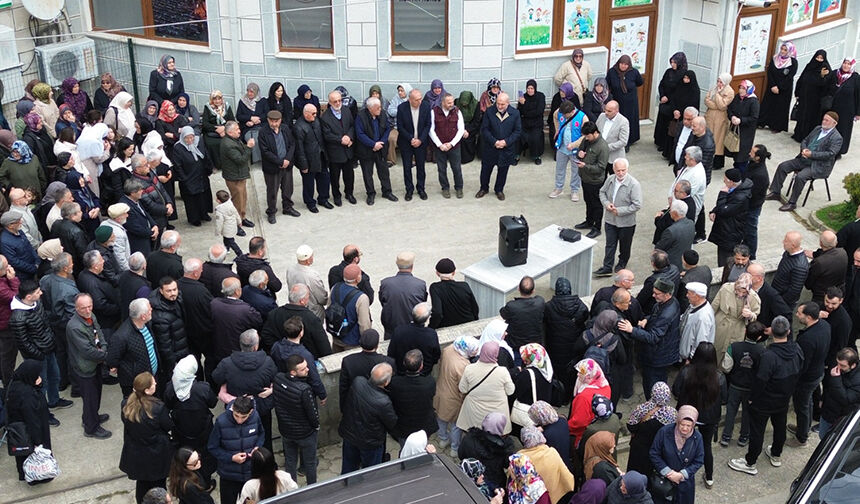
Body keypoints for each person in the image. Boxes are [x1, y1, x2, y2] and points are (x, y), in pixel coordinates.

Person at [728, 316, 803, 476]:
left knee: (757, 431)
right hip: (783, 398)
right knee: (780, 426)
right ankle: (776, 453)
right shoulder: (796, 350)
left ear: (771, 333)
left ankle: (750, 461)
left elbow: (760, 380)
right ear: (789, 332)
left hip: (764, 400)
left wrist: (752, 398)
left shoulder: (769, 356)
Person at [671, 342, 725, 489]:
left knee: (681, 443)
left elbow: (675, 391)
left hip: (687, 415)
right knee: (706, 446)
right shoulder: (719, 377)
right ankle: (709, 477)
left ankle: (678, 473)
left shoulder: (686, 372)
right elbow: (725, 399)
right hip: (709, 419)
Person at [766, 112, 842, 212]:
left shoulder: (837, 138)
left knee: (800, 177)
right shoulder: (817, 129)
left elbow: (830, 154)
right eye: (824, 119)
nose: (824, 121)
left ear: (834, 123)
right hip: (804, 159)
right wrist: (804, 149)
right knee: (783, 166)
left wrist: (812, 154)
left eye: (827, 120)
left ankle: (792, 203)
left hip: (818, 165)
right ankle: (775, 192)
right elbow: (805, 140)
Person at [620, 278, 680, 397]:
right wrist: (647, 319)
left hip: (658, 356)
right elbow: (655, 315)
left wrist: (632, 330)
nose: (653, 296)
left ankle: (653, 407)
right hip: (660, 352)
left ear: (667, 294)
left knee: (652, 384)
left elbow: (653, 337)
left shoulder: (667, 313)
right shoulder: (669, 302)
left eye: (657, 294)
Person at [120, 372, 173, 504]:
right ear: (147, 390)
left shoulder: (126, 405)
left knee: (142, 484)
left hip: (137, 452)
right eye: (153, 383)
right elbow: (167, 425)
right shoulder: (157, 407)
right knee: (159, 484)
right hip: (156, 453)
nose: (156, 383)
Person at [163, 355, 217, 484]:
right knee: (204, 456)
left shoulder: (171, 388)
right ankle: (206, 482)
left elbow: (167, 404)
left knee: (185, 456)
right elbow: (213, 403)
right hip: (203, 431)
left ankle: (188, 480)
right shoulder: (202, 388)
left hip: (181, 430)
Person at [66, 292, 112, 438]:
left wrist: (104, 348)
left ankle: (91, 417)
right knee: (90, 398)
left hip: (95, 363)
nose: (87, 310)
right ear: (76, 308)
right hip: (85, 367)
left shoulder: (91, 316)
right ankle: (91, 428)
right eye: (83, 308)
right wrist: (106, 355)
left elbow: (99, 333)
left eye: (90, 306)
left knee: (96, 393)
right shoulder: (74, 327)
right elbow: (87, 351)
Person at [338, 362, 398, 473]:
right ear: (386, 382)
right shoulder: (383, 402)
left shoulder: (358, 381)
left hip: (350, 435)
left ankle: (346, 486)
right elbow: (391, 422)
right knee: (370, 472)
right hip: (370, 443)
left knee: (348, 468)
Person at [788, 302, 831, 448]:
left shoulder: (807, 340)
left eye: (800, 313)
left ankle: (801, 438)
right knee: (808, 403)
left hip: (807, 379)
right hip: (817, 372)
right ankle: (803, 428)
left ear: (808, 317)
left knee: (802, 406)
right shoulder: (824, 326)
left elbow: (802, 364)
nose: (796, 315)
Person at [208, 396, 265, 504]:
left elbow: (261, 434)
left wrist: (257, 447)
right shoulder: (221, 422)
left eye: (243, 417)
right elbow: (212, 447)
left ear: (251, 412)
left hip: (250, 473)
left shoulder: (255, 416)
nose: (239, 420)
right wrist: (231, 458)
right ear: (233, 409)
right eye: (236, 415)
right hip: (229, 475)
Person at [273, 354, 320, 484]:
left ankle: (291, 489)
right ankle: (312, 487)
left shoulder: (278, 379)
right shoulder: (305, 390)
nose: (308, 370)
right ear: (293, 372)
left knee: (290, 461)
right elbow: (312, 414)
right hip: (305, 434)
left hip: (286, 431)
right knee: (310, 463)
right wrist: (316, 426)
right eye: (303, 369)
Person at [5, 360, 52, 482]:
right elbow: (32, 420)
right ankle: (38, 478)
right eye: (36, 375)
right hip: (30, 431)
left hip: (18, 429)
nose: (39, 377)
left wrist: (37, 384)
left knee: (23, 456)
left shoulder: (15, 383)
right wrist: (38, 441)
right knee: (33, 455)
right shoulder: (27, 395)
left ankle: (25, 474)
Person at [721, 321, 766, 447]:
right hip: (751, 388)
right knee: (747, 413)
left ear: (745, 332)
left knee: (731, 411)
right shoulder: (762, 351)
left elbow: (726, 367)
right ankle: (743, 437)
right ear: (759, 337)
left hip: (735, 385)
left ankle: (726, 436)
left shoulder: (734, 347)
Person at [542, 277, 588, 396]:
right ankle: (572, 393)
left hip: (555, 346)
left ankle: (560, 396)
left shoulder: (548, 307)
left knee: (558, 372)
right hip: (574, 346)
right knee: (573, 370)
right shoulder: (580, 305)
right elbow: (585, 318)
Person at [434, 335, 479, 457]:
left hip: (440, 391)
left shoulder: (448, 349)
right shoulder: (463, 365)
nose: (476, 352)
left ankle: (443, 439)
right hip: (454, 399)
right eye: (475, 349)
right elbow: (463, 387)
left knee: (441, 419)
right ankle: (455, 448)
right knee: (455, 425)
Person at [457, 342, 515, 434]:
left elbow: (462, 389)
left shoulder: (469, 369)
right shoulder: (502, 371)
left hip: (474, 412)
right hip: (497, 413)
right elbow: (510, 391)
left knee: (475, 437)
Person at [649, 405, 704, 504]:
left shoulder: (697, 437)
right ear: (678, 421)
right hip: (664, 483)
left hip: (685, 485)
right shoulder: (664, 432)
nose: (685, 428)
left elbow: (699, 460)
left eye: (689, 426)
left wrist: (682, 475)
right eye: (682, 424)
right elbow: (654, 453)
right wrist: (669, 473)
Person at [596, 159, 642, 276]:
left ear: (627, 169)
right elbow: (602, 192)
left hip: (626, 223)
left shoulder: (634, 184)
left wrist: (619, 211)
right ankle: (607, 266)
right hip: (610, 220)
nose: (620, 173)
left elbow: (637, 205)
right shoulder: (610, 179)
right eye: (618, 170)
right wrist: (607, 204)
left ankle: (622, 262)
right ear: (613, 169)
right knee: (610, 244)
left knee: (624, 245)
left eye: (623, 170)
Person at [260, 284, 331, 358]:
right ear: (302, 301)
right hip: (305, 361)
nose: (308, 299)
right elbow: (323, 345)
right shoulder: (311, 319)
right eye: (308, 297)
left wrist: (280, 350)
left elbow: (266, 335)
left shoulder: (274, 313)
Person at [107, 298, 160, 397]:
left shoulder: (145, 324)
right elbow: (112, 359)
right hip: (136, 384)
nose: (152, 310)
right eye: (149, 310)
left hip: (151, 377)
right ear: (143, 316)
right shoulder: (121, 336)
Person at [209, 280, 263, 373]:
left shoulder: (214, 303)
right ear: (237, 291)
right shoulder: (245, 309)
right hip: (237, 349)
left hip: (218, 347)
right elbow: (258, 321)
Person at [626, 381, 677, 475]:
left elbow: (631, 426)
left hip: (640, 448)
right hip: (659, 449)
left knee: (636, 471)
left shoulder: (641, 409)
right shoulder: (672, 413)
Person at [478, 93, 521, 200]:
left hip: (506, 149)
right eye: (498, 103)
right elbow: (484, 129)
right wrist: (494, 142)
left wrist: (506, 142)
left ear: (508, 103)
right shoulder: (489, 112)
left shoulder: (515, 113)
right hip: (490, 147)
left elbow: (517, 131)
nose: (499, 106)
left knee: (503, 171)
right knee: (485, 170)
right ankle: (484, 188)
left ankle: (499, 190)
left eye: (502, 104)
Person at [389, 349, 438, 444]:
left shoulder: (395, 382)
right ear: (421, 366)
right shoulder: (429, 382)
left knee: (404, 447)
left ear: (404, 363)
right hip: (423, 426)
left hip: (403, 425)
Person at [258, 109, 298, 224]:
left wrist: (287, 159)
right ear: (268, 120)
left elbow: (292, 144)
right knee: (272, 191)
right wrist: (280, 162)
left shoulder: (285, 128)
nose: (274, 124)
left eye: (276, 121)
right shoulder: (263, 132)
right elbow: (265, 152)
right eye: (272, 121)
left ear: (280, 120)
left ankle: (288, 208)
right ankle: (271, 212)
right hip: (272, 168)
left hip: (287, 165)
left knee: (287, 189)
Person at [458, 412, 517, 490]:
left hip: (470, 476)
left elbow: (461, 454)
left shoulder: (470, 437)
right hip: (494, 482)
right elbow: (508, 464)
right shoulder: (505, 447)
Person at [176, 259, 214, 377]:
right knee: (211, 359)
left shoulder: (176, 286)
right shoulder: (201, 291)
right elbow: (210, 310)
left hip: (185, 333)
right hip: (203, 333)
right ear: (196, 273)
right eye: (201, 270)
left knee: (193, 360)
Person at [518, 426, 575, 503]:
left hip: (532, 499)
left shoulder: (519, 457)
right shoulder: (551, 452)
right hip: (552, 495)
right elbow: (566, 475)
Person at [712, 272, 760, 362]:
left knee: (730, 355)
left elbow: (755, 316)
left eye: (744, 292)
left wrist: (750, 315)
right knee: (716, 349)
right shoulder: (726, 288)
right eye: (738, 291)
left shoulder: (754, 298)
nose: (741, 294)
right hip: (721, 325)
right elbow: (714, 307)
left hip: (738, 329)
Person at [293, 103, 333, 213]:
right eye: (313, 113)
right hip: (308, 159)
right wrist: (303, 165)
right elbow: (299, 149)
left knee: (324, 179)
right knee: (308, 183)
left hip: (320, 156)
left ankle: (323, 199)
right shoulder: (298, 127)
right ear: (306, 114)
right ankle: (310, 202)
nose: (316, 115)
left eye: (316, 113)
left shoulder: (316, 121)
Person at [708, 168, 752, 265]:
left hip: (730, 233)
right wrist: (714, 211)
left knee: (726, 261)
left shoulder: (740, 197)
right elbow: (723, 206)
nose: (723, 181)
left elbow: (724, 210)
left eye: (725, 179)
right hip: (725, 229)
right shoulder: (734, 190)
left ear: (731, 182)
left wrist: (722, 194)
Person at [320, 89, 356, 206]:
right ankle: (337, 195)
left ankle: (349, 193)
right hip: (335, 152)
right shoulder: (325, 117)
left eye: (339, 100)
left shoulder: (346, 111)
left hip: (348, 150)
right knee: (335, 177)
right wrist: (341, 139)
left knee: (349, 175)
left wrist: (349, 137)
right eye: (335, 101)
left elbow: (351, 126)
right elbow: (327, 135)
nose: (338, 103)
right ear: (330, 103)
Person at [380, 251, 428, 339]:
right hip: (414, 329)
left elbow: (383, 302)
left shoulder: (385, 283)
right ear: (412, 266)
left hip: (392, 328)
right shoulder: (420, 284)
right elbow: (422, 303)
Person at [172, 126, 212, 227]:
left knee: (203, 196)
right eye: (187, 138)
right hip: (188, 176)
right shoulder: (178, 148)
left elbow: (206, 155)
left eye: (191, 137)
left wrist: (209, 169)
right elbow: (178, 165)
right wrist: (184, 178)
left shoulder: (199, 142)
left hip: (201, 175)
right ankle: (194, 218)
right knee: (191, 200)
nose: (190, 140)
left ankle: (204, 214)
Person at [397, 89, 432, 200]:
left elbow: (428, 124)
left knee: (421, 167)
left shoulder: (426, 106)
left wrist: (420, 140)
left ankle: (421, 189)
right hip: (406, 142)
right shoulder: (402, 108)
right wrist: (411, 139)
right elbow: (400, 126)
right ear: (410, 100)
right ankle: (409, 190)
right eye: (417, 100)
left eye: (420, 98)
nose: (420, 101)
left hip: (421, 142)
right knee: (407, 167)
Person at [430, 92, 466, 198]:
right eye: (449, 103)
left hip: (454, 147)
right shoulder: (434, 112)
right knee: (441, 169)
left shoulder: (457, 111)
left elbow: (461, 129)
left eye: (453, 102)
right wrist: (439, 144)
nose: (452, 104)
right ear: (443, 102)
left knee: (457, 168)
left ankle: (459, 188)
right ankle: (445, 188)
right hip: (440, 147)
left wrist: (451, 144)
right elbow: (431, 130)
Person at [576, 121, 609, 238]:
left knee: (597, 205)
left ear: (595, 133)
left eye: (588, 136)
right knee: (588, 201)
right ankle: (589, 221)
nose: (586, 138)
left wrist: (585, 166)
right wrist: (579, 155)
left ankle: (597, 227)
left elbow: (601, 168)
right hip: (585, 178)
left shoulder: (602, 147)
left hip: (596, 181)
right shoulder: (586, 141)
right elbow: (579, 153)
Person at [387, 303, 440, 375]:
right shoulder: (431, 334)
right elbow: (436, 356)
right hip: (424, 373)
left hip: (401, 372)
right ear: (427, 318)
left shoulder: (399, 331)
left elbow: (391, 353)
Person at [793, 50, 834, 142]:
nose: (819, 60)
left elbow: (825, 84)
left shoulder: (825, 68)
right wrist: (797, 92)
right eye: (817, 57)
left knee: (811, 119)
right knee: (802, 116)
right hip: (804, 98)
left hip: (815, 100)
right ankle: (799, 134)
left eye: (821, 58)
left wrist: (822, 76)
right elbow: (802, 79)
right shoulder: (809, 66)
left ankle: (808, 137)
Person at [329, 263, 372, 352]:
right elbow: (364, 325)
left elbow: (329, 307)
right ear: (358, 278)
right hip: (353, 342)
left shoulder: (335, 288)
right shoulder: (361, 298)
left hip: (337, 336)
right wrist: (366, 342)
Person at [550, 100, 588, 201]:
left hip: (575, 150)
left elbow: (585, 135)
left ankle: (575, 190)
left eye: (565, 115)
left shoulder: (582, 117)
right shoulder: (559, 112)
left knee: (576, 170)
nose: (564, 116)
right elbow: (555, 116)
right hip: (562, 147)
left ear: (571, 112)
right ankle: (558, 188)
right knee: (559, 168)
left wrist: (575, 144)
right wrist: (557, 129)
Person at [569, 358, 611, 447]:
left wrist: (565, 426)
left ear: (588, 376)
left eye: (580, 373)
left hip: (583, 435)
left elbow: (579, 422)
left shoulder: (583, 397)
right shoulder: (605, 385)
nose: (577, 374)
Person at [500, 276, 545, 358]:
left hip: (516, 345)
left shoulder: (512, 306)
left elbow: (503, 313)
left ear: (518, 288)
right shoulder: (540, 302)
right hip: (534, 345)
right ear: (533, 291)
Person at [220, 121, 255, 228]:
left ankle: (242, 218)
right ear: (230, 132)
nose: (239, 131)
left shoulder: (233, 140)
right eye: (237, 129)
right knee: (237, 201)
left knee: (243, 198)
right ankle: (237, 223)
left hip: (239, 175)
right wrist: (248, 147)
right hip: (234, 177)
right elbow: (240, 160)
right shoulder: (228, 145)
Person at [758, 42, 798, 132]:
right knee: (767, 104)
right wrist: (773, 86)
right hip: (772, 87)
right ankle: (762, 122)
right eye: (782, 49)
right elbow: (770, 72)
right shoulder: (775, 58)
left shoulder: (793, 62)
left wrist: (779, 87)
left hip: (784, 89)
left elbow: (790, 76)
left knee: (780, 108)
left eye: (785, 50)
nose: (782, 51)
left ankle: (777, 126)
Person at [820, 347, 860, 438]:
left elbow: (845, 399)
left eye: (842, 365)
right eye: (837, 363)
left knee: (828, 439)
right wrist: (822, 399)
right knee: (822, 435)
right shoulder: (839, 367)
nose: (838, 367)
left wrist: (835, 379)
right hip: (828, 411)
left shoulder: (857, 381)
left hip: (840, 418)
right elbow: (828, 386)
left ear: (853, 365)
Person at [428, 258, 478, 329]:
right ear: (454, 272)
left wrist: (430, 328)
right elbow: (475, 308)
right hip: (468, 323)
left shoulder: (435, 288)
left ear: (437, 273)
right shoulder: (464, 286)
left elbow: (437, 313)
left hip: (446, 326)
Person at [654, 52, 689, 153]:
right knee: (662, 122)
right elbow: (662, 84)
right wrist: (662, 95)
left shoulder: (683, 74)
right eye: (672, 62)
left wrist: (668, 98)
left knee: (669, 125)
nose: (672, 64)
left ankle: (665, 144)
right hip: (665, 101)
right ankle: (659, 141)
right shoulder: (668, 72)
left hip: (673, 103)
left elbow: (679, 91)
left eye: (675, 62)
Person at [606, 55, 644, 146]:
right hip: (617, 101)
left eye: (626, 64)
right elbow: (608, 83)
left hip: (631, 102)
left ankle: (629, 140)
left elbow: (640, 82)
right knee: (618, 120)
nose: (623, 66)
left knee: (629, 120)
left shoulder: (633, 72)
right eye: (622, 64)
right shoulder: (612, 72)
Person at [743, 145, 771, 258]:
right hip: (748, 204)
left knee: (750, 231)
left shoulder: (760, 175)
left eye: (752, 152)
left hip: (752, 206)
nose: (749, 153)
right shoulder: (752, 164)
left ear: (758, 158)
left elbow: (753, 194)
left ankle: (752, 255)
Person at [805, 231, 848, 304]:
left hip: (821, 297)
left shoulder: (819, 262)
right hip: (838, 294)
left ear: (820, 243)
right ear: (836, 242)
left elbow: (809, 282)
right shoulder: (843, 253)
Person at [120, 178, 159, 256]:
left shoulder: (135, 200)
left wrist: (154, 225)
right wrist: (152, 232)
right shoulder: (125, 207)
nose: (142, 191)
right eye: (140, 190)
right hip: (138, 243)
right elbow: (135, 228)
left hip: (146, 236)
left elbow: (145, 213)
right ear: (132, 193)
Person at [725, 80, 760, 167]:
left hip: (746, 131)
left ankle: (741, 171)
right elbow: (730, 109)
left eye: (743, 88)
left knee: (742, 153)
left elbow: (754, 117)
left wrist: (741, 120)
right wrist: (732, 116)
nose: (741, 90)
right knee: (734, 149)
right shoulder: (738, 97)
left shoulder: (753, 101)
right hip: (735, 128)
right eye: (740, 88)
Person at [704, 73, 735, 169]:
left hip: (720, 119)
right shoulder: (714, 88)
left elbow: (722, 106)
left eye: (721, 82)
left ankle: (717, 163)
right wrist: (715, 104)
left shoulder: (729, 92)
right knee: (709, 137)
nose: (719, 83)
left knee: (718, 140)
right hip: (710, 117)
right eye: (718, 81)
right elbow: (706, 100)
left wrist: (717, 95)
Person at [772, 231, 810, 308]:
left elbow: (794, 290)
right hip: (776, 294)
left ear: (792, 245)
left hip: (783, 303)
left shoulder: (800, 266)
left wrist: (779, 302)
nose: (783, 242)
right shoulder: (788, 253)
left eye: (786, 241)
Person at [678, 282, 715, 361]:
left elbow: (700, 342)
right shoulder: (693, 305)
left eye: (689, 293)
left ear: (697, 296)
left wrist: (691, 359)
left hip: (689, 358)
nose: (686, 295)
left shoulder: (703, 317)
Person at [829, 58, 859, 155]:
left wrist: (858, 113)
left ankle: (839, 151)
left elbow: (858, 96)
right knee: (830, 127)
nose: (846, 66)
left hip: (847, 110)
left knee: (843, 130)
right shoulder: (835, 73)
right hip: (834, 107)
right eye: (844, 63)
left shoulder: (855, 78)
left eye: (849, 64)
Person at [655, 200, 695, 271]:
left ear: (675, 213)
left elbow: (659, 248)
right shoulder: (691, 223)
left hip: (671, 265)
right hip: (683, 261)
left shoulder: (670, 231)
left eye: (670, 210)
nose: (669, 212)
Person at [201, 90, 235, 171]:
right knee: (211, 144)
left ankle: (228, 164)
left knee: (228, 142)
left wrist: (224, 128)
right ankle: (215, 165)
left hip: (226, 130)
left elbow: (232, 120)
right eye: (215, 99)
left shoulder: (226, 106)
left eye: (219, 99)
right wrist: (217, 129)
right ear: (212, 100)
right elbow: (205, 124)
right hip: (212, 132)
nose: (217, 101)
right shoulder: (208, 107)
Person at [1, 210, 40, 280]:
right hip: (23, 275)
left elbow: (29, 246)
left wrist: (37, 260)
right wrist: (33, 268)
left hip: (33, 266)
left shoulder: (19, 231)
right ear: (10, 225)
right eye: (18, 221)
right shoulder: (4, 242)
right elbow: (14, 261)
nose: (21, 222)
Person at [235, 83, 268, 165]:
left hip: (261, 126)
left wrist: (259, 119)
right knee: (254, 140)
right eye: (248, 91)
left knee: (263, 138)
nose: (249, 93)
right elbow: (239, 116)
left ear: (256, 92)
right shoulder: (242, 101)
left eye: (252, 92)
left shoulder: (262, 101)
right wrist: (249, 119)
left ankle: (265, 160)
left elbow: (267, 113)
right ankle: (257, 160)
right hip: (247, 128)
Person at [595, 100, 630, 175]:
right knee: (600, 180)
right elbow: (596, 131)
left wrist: (605, 148)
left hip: (614, 157)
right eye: (605, 110)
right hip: (600, 157)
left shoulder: (623, 122)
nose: (606, 112)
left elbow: (623, 141)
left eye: (609, 111)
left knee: (614, 180)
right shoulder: (602, 116)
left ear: (616, 111)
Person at [517, 80, 546, 164]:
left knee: (535, 137)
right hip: (525, 123)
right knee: (518, 135)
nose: (530, 90)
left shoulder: (540, 96)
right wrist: (522, 105)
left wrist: (525, 107)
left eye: (531, 88)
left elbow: (539, 111)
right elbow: (520, 112)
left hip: (536, 123)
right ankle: (516, 155)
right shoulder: (523, 97)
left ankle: (536, 156)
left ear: (535, 88)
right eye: (528, 88)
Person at [455, 90, 482, 164]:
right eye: (462, 103)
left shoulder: (476, 105)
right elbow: (453, 117)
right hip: (458, 125)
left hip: (471, 127)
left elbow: (476, 121)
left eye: (466, 103)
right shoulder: (456, 102)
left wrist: (467, 130)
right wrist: (461, 129)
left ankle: (468, 157)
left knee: (466, 138)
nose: (464, 104)